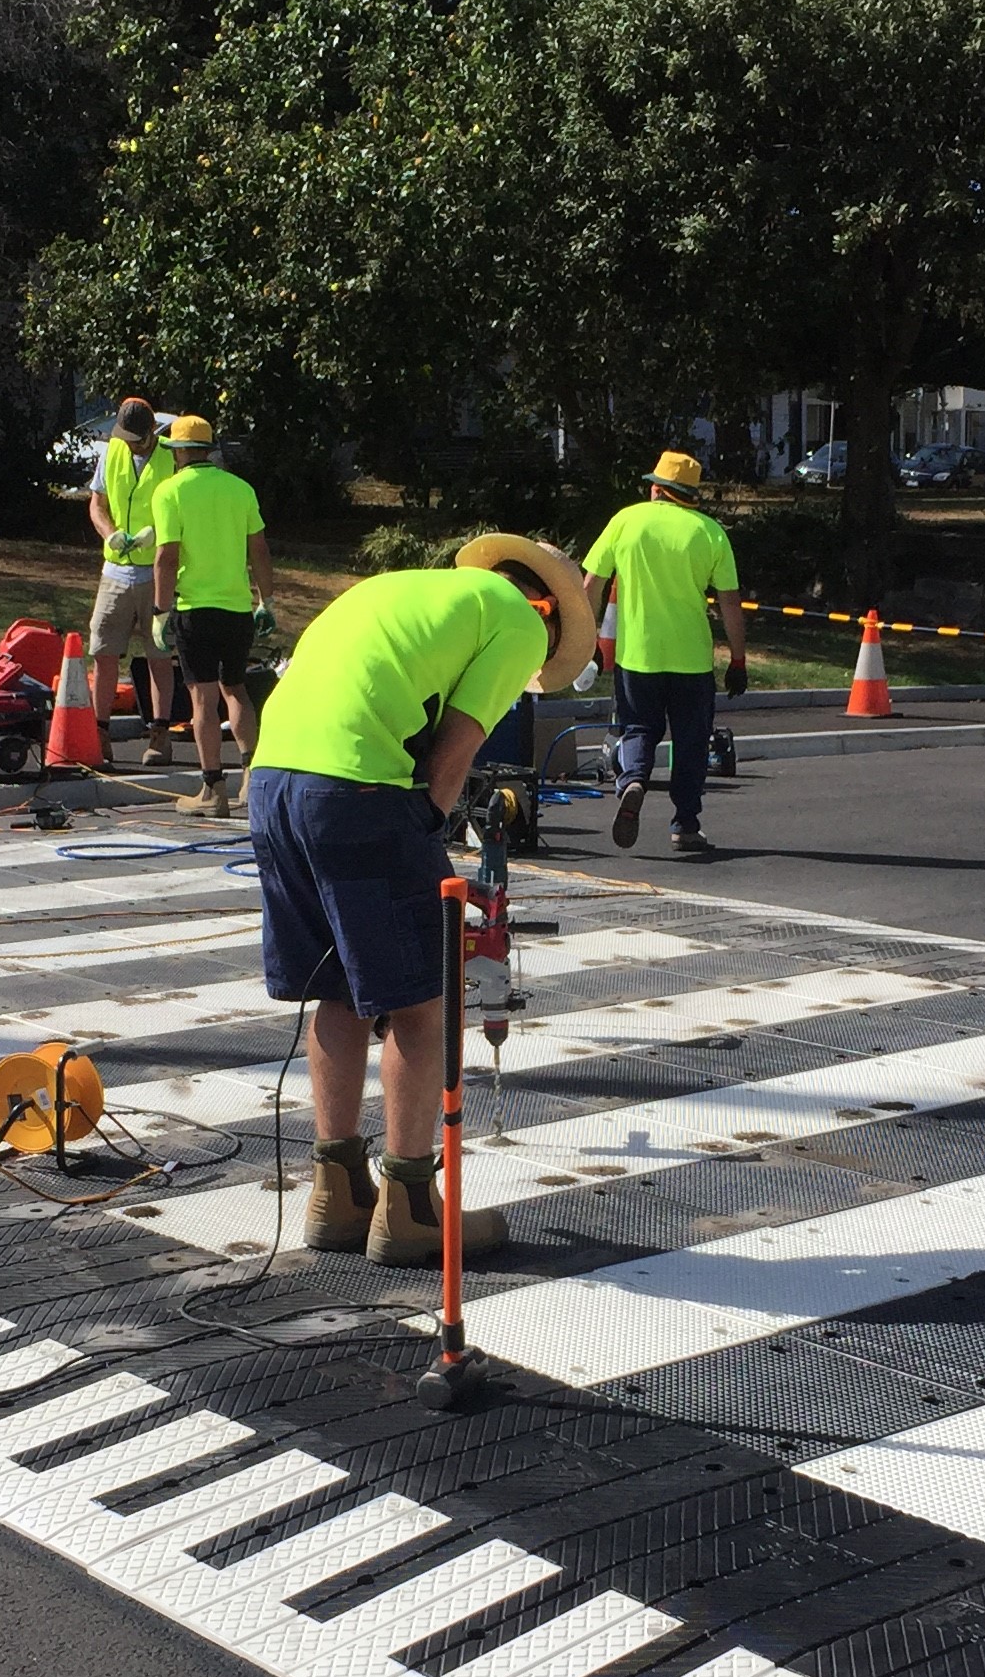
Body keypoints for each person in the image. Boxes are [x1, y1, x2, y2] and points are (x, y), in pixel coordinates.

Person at [248, 536, 596, 1268]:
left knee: (338, 989)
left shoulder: (407, 592)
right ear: (548, 608)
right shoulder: (518, 619)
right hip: (357, 790)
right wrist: (426, 838)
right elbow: (454, 753)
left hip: (272, 782)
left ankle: (336, 1194)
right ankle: (409, 1209)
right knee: (419, 1003)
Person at [583, 448, 748, 855]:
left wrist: (589, 644)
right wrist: (738, 660)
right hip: (691, 661)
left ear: (657, 489)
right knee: (691, 741)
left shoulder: (625, 521)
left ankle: (633, 781)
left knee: (638, 728)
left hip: (637, 658)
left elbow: (591, 585)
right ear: (690, 493)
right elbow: (730, 602)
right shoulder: (710, 533)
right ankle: (685, 825)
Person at [148, 415, 275, 820]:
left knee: (202, 697)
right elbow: (259, 550)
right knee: (235, 688)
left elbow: (166, 557)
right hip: (237, 608)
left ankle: (212, 787)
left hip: (195, 608)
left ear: (180, 452)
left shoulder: (170, 492)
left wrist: (160, 611)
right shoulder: (240, 489)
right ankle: (251, 775)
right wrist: (266, 601)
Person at [83, 397, 182, 764]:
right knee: (104, 651)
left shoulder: (172, 456)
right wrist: (110, 534)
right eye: (125, 438)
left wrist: (159, 533)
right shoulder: (113, 452)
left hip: (158, 570)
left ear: (152, 432)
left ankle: (160, 734)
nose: (130, 445)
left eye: (137, 440)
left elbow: (185, 508)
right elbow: (97, 504)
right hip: (115, 571)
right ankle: (99, 732)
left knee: (159, 654)